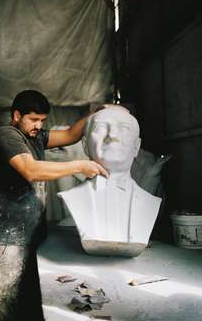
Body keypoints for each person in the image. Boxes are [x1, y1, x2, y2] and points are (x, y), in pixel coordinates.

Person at [0, 89, 109, 321]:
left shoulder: (35, 136)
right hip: (6, 238)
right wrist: (80, 165)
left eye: (42, 120)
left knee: (29, 299)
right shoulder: (6, 135)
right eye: (33, 119)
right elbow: (30, 170)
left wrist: (95, 114)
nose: (38, 125)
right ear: (17, 115)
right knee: (7, 305)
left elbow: (70, 134)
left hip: (31, 234)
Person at [59, 105, 162, 257]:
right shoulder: (73, 198)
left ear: (136, 147)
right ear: (85, 145)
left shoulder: (150, 203)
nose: (113, 135)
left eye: (124, 128)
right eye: (101, 128)